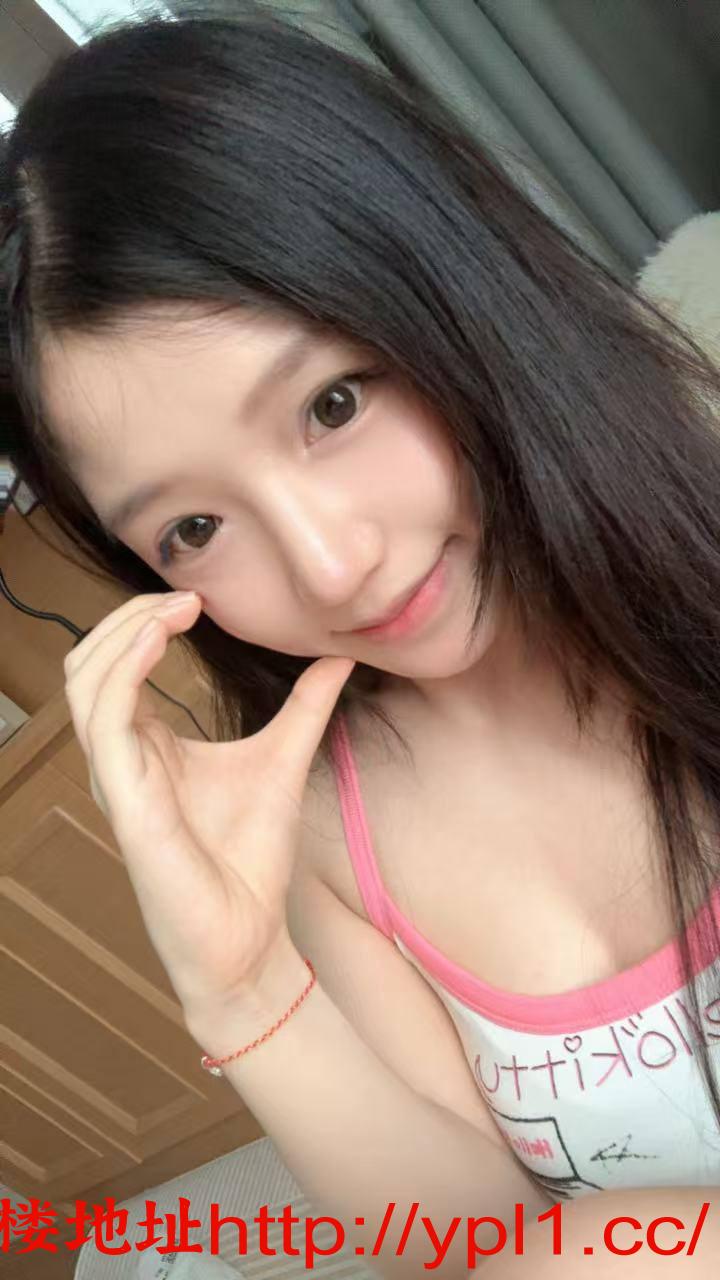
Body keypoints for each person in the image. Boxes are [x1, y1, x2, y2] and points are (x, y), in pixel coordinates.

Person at [2, 9, 720, 1277]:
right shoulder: (329, 828)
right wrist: (240, 989)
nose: (331, 567)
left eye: (332, 403)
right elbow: (468, 1242)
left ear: (452, 281)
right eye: (194, 527)